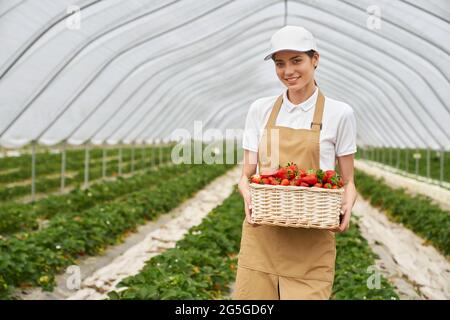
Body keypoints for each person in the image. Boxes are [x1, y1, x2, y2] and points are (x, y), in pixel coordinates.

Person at [233, 25, 357, 300]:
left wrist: (348, 203)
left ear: (315, 59)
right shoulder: (260, 110)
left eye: (296, 60)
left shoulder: (340, 114)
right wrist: (247, 195)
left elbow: (348, 180)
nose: (288, 71)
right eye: (280, 63)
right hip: (263, 239)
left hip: (311, 245)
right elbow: (247, 175)